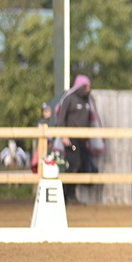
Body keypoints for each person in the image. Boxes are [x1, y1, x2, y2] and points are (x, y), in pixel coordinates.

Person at [55, 75, 101, 203]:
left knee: (83, 166)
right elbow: (61, 118)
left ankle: (71, 194)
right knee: (74, 164)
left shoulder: (88, 101)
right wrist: (64, 136)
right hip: (72, 140)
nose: (88, 89)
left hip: (83, 140)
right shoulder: (69, 99)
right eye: (86, 86)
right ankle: (64, 195)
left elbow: (90, 120)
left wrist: (88, 140)